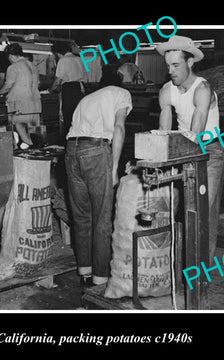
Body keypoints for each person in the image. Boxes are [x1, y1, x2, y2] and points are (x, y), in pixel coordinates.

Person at [156, 35, 224, 263]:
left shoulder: (202, 88)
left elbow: (196, 135)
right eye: (168, 66)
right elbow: (164, 132)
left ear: (190, 62)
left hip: (209, 152)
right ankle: (191, 265)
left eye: (176, 65)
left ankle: (198, 271)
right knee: (192, 211)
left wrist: (179, 154)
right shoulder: (167, 90)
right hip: (183, 148)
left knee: (201, 211)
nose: (171, 71)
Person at [65, 64, 133, 287]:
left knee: (82, 216)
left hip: (71, 150)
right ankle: (100, 278)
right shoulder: (121, 93)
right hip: (95, 151)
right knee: (102, 219)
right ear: (125, 80)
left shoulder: (89, 97)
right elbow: (119, 128)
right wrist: (114, 169)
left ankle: (84, 271)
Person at [0, 43, 41, 149]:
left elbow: (8, 85)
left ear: (11, 56)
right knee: (33, 131)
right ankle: (35, 149)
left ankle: (25, 149)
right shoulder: (33, 66)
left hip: (19, 103)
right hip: (35, 103)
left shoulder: (13, 67)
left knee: (19, 127)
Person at [50, 42, 86, 144]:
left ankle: (68, 144)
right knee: (79, 118)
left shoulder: (63, 60)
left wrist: (50, 90)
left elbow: (57, 81)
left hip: (69, 90)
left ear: (57, 53)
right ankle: (79, 143)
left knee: (68, 119)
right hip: (81, 89)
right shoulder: (79, 59)